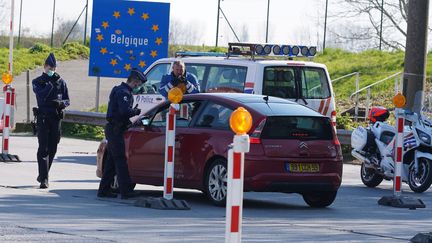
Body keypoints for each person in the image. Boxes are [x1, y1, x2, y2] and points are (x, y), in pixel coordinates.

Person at [97, 68, 146, 199]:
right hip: (115, 130)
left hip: (114, 129)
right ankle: (126, 191)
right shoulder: (123, 92)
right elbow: (124, 111)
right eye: (138, 84)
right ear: (134, 82)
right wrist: (136, 112)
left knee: (111, 162)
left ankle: (103, 190)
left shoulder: (119, 89)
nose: (138, 87)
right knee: (120, 161)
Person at [32, 53, 70, 189]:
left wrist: (60, 104)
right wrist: (49, 85)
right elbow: (41, 95)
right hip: (43, 118)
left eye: (54, 67)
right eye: (49, 67)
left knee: (53, 147)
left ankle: (43, 173)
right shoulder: (38, 81)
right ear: (45, 67)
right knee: (44, 148)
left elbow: (67, 100)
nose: (52, 70)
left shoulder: (61, 82)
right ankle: (44, 180)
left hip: (55, 118)